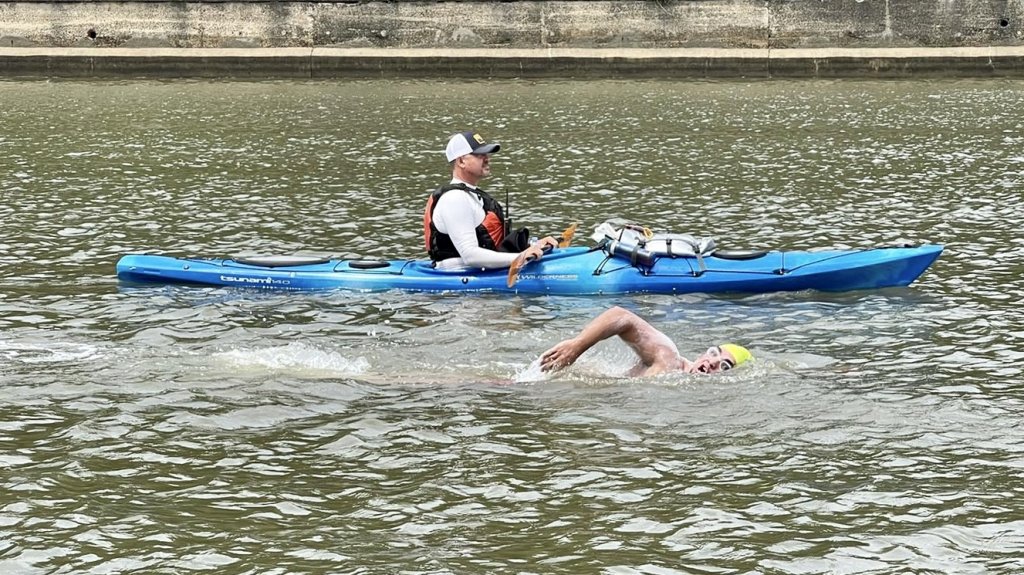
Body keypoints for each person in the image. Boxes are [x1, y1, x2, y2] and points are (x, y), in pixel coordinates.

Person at [423, 131, 558, 270]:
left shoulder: (472, 195)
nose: (487, 158)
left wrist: (532, 246)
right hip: (458, 280)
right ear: (461, 161)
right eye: (479, 155)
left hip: (483, 274)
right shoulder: (455, 199)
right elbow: (470, 256)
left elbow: (492, 245)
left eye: (486, 154)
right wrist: (521, 257)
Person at [539, 306, 753, 377]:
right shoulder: (669, 359)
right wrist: (577, 346)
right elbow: (621, 316)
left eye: (724, 366)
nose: (714, 362)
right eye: (714, 353)